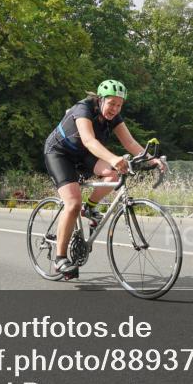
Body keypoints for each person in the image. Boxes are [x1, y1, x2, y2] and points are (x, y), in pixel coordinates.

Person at [43, 80, 165, 277]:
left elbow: (130, 142)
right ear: (100, 100)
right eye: (111, 103)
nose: (115, 109)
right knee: (72, 203)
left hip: (84, 155)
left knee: (115, 174)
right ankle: (60, 259)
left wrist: (152, 160)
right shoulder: (83, 108)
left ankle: (90, 207)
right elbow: (89, 140)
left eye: (119, 105)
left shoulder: (114, 117)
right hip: (59, 153)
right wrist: (114, 158)